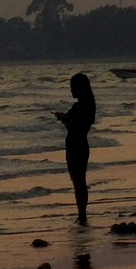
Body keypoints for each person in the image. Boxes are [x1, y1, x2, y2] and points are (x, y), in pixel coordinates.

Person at [54, 73, 95, 224]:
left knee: (77, 182)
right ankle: (82, 214)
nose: (70, 90)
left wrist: (63, 119)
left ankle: (82, 215)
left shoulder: (79, 107)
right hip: (83, 144)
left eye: (72, 87)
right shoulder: (89, 105)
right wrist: (66, 118)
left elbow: (72, 126)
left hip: (74, 145)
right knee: (80, 181)